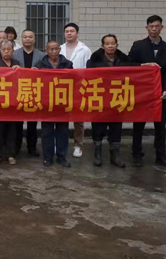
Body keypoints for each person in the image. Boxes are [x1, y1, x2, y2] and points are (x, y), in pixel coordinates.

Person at [128, 15, 166, 168]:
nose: (154, 29)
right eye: (151, 26)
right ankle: (137, 154)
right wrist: (143, 65)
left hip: (160, 93)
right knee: (138, 124)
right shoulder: (138, 46)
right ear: (147, 28)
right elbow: (128, 65)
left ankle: (161, 155)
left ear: (161, 28)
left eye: (156, 26)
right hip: (142, 92)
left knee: (160, 126)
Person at [86, 34, 132, 168]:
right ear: (102, 46)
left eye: (112, 43)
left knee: (116, 128)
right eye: (107, 43)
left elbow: (134, 71)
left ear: (117, 45)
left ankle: (115, 157)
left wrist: (146, 66)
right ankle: (97, 156)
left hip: (117, 99)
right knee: (98, 128)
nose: (110, 46)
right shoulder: (93, 61)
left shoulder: (124, 60)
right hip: (99, 99)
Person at [35, 40, 73, 167]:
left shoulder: (67, 64)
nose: (54, 51)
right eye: (51, 49)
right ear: (46, 51)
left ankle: (62, 157)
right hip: (47, 103)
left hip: (62, 103)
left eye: (56, 49)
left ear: (60, 50)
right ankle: (48, 157)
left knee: (63, 132)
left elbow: (73, 81)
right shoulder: (40, 64)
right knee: (47, 132)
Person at [60, 22, 92, 158]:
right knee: (61, 116)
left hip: (79, 86)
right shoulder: (60, 48)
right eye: (67, 31)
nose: (69, 33)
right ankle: (60, 143)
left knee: (78, 118)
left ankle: (78, 145)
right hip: (61, 87)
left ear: (77, 33)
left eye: (72, 31)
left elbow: (89, 69)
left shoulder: (84, 50)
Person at [12, 29, 45, 157]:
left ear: (34, 39)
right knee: (17, 122)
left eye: (30, 37)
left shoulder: (41, 55)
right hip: (18, 91)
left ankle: (32, 147)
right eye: (25, 37)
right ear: (21, 39)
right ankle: (16, 146)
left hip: (34, 91)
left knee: (32, 122)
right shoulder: (14, 54)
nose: (28, 39)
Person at [0, 40, 20, 165]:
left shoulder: (17, 63)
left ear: (13, 51)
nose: (6, 52)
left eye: (9, 49)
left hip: (12, 102)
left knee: (12, 130)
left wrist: (19, 70)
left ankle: (10, 154)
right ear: (0, 51)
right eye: (4, 50)